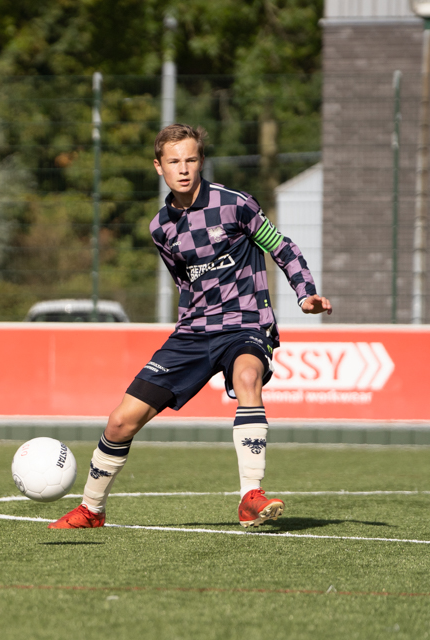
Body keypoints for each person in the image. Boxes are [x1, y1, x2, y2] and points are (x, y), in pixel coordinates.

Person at [50, 123, 332, 530]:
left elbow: (281, 246)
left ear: (201, 161)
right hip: (194, 331)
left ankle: (250, 495)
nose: (183, 169)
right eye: (173, 161)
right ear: (158, 166)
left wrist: (306, 293)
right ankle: (92, 510)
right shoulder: (160, 228)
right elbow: (184, 282)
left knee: (248, 376)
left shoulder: (236, 205)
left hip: (244, 323)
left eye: (191, 159)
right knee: (120, 421)